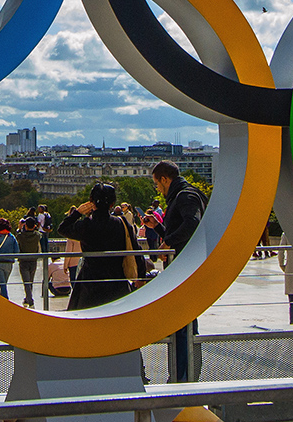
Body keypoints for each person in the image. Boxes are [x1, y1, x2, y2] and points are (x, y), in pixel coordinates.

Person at [153, 160, 206, 380]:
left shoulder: (185, 196)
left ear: (165, 179)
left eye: (157, 183)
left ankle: (183, 376)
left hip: (185, 270)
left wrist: (168, 243)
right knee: (184, 325)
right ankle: (183, 374)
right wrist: (157, 228)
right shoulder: (188, 195)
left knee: (183, 327)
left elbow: (191, 224)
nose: (157, 188)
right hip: (186, 267)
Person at [58, 183, 136, 311]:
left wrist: (77, 212)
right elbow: (135, 247)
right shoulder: (121, 223)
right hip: (116, 280)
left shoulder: (87, 225)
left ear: (92, 203)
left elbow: (62, 228)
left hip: (90, 281)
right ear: (112, 204)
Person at [15, 216, 43, 309]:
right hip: (33, 261)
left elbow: (17, 235)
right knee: (30, 281)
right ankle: (28, 298)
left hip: (23, 261)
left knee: (26, 282)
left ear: (25, 226)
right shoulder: (37, 236)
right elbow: (40, 234)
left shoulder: (21, 236)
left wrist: (19, 227)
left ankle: (30, 300)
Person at [0, 217, 19, 301]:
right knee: (4, 284)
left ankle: (5, 301)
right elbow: (17, 251)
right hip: (9, 264)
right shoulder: (12, 237)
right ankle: (3, 301)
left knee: (2, 285)